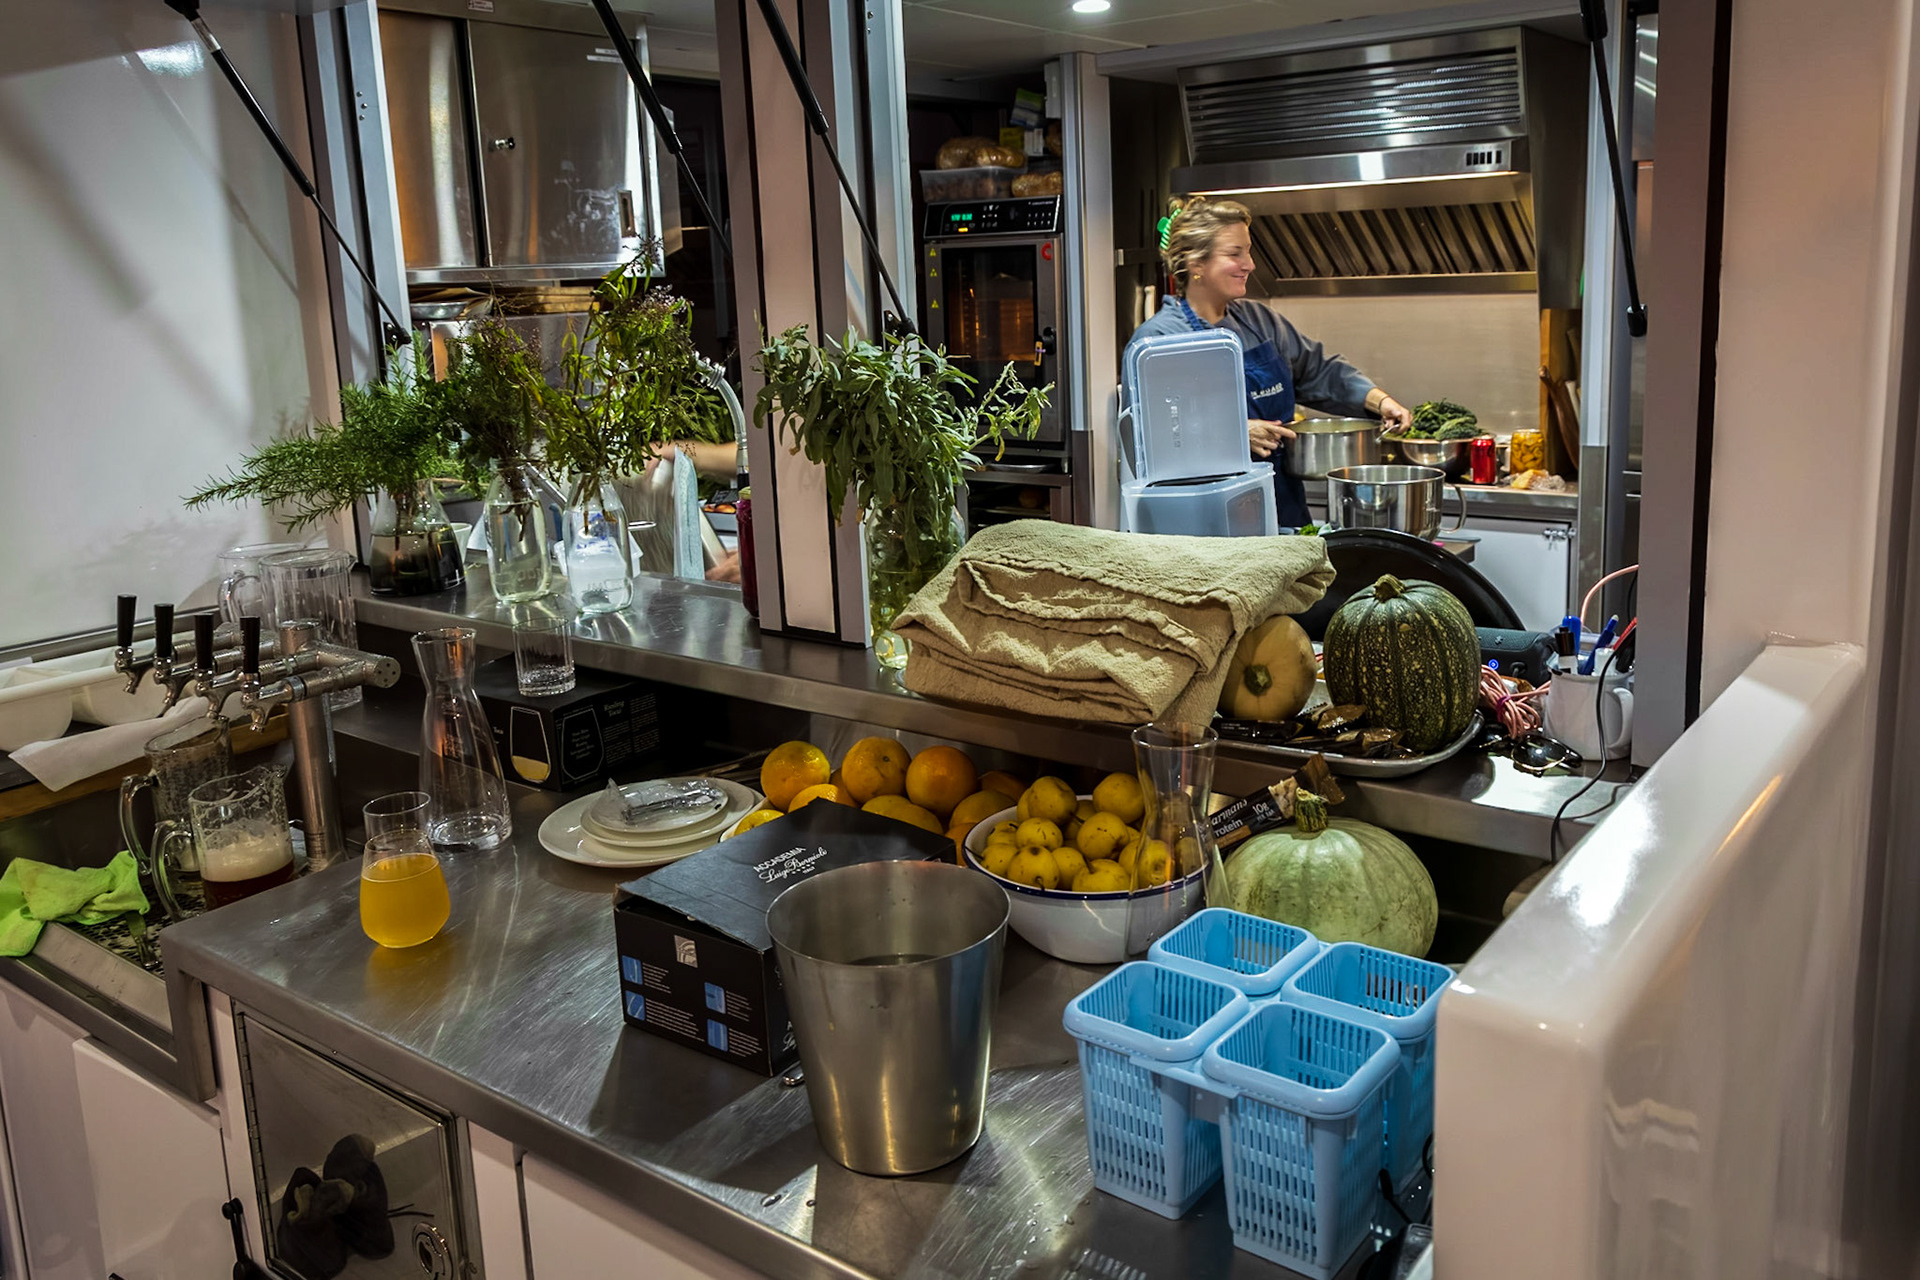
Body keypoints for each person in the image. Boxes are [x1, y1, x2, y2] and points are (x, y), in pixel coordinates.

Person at [1126, 197, 1410, 529]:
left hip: (1282, 507)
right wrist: (1233, 434)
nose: (1250, 264)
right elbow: (1150, 440)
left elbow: (1318, 370)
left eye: (1248, 251)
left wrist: (1379, 401)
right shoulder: (1158, 343)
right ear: (1196, 263)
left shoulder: (1259, 322)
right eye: (1235, 253)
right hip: (1204, 525)